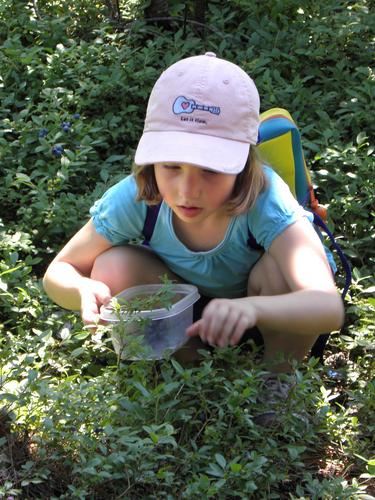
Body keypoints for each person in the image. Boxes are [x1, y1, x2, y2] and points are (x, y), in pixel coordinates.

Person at [43, 52, 344, 382]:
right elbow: (58, 272)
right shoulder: (137, 196)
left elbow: (328, 308)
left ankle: (275, 383)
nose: (187, 190)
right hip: (186, 316)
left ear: (243, 164)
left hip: (269, 316)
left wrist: (251, 309)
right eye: (171, 166)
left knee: (281, 273)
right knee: (112, 266)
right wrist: (83, 289)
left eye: (211, 169)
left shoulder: (264, 198)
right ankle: (193, 375)